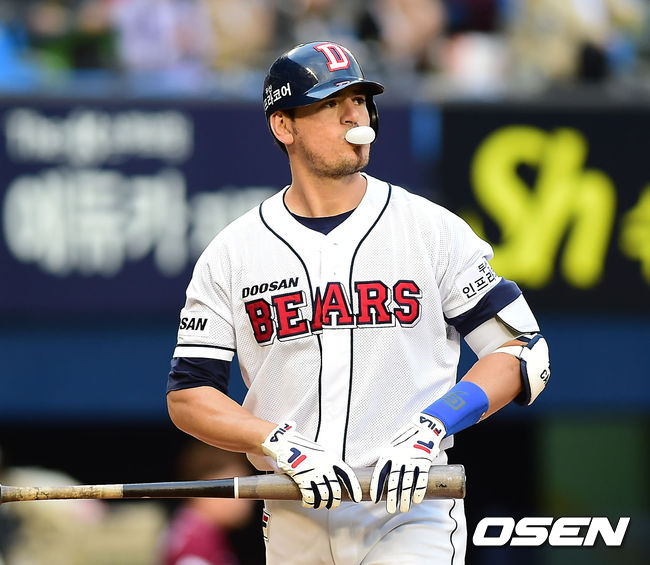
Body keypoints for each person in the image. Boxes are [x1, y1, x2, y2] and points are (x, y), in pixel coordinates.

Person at [166, 40, 551, 564]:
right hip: (294, 507)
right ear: (284, 126)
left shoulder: (430, 229)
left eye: (360, 100)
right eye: (331, 103)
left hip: (408, 506)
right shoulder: (232, 252)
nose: (356, 116)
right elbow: (190, 395)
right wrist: (278, 443)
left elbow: (522, 351)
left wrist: (431, 427)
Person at [161, 440, 257, 565]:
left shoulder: (193, 531)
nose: (249, 499)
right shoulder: (196, 542)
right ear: (211, 487)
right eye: (240, 489)